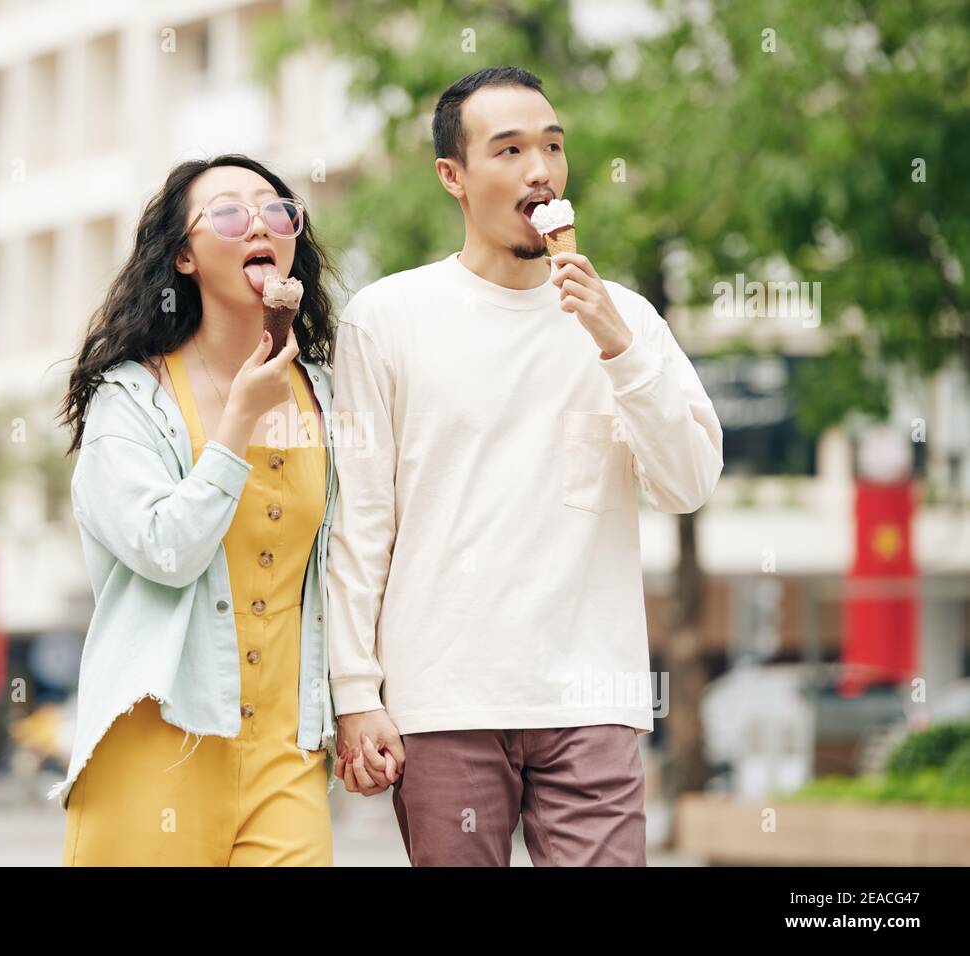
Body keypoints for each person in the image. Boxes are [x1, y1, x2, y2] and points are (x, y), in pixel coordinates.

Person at [327, 67, 723, 866]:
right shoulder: (387, 319)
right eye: (508, 150)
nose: (539, 169)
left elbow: (687, 484)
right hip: (441, 698)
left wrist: (617, 347)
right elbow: (361, 521)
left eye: (551, 146)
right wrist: (355, 696)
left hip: (594, 696)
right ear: (454, 177)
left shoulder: (627, 320)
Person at [52, 154, 341, 866]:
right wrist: (239, 420)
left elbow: (359, 560)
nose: (261, 227)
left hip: (286, 755)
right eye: (230, 214)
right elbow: (166, 550)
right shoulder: (130, 401)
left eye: (277, 211)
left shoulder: (329, 396)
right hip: (156, 746)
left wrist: (361, 704)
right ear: (183, 256)